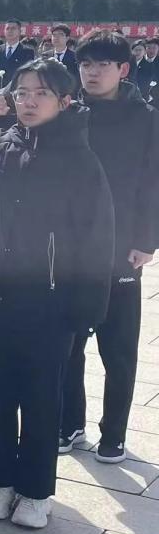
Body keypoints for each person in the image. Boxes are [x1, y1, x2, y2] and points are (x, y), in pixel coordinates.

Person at [0, 61, 114, 531]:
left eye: (41, 94)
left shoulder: (81, 160)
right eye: (21, 93)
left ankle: (35, 490)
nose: (28, 102)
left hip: (50, 301)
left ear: (64, 101)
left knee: (40, 398)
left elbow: (97, 236)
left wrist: (86, 306)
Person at [60, 30, 159, 465]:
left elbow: (153, 181)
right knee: (68, 343)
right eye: (85, 64)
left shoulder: (146, 118)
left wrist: (146, 241)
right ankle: (70, 423)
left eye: (102, 64)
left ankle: (113, 433)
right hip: (69, 245)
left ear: (123, 69)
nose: (92, 72)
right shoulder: (68, 113)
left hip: (121, 246)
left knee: (117, 347)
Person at [0, 19, 35, 91]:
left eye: (13, 28)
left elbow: (28, 75)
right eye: (7, 29)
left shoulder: (27, 52)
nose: (10, 31)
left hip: (16, 92)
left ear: (20, 31)